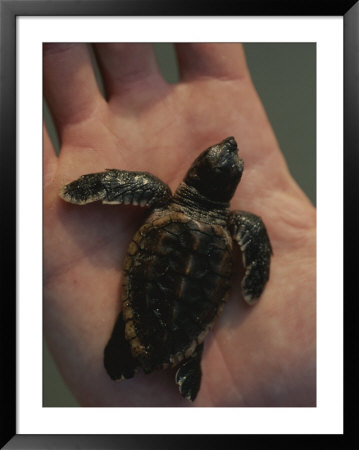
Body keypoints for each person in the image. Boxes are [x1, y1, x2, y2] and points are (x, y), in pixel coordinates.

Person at [43, 43, 316, 406]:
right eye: (227, 156)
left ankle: (141, 348)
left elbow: (123, 187)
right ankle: (187, 359)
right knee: (183, 325)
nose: (231, 145)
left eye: (223, 156)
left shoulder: (161, 197)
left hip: (157, 283)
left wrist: (87, 187)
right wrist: (254, 281)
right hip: (196, 313)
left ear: (195, 173)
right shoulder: (241, 225)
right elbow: (254, 268)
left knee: (137, 327)